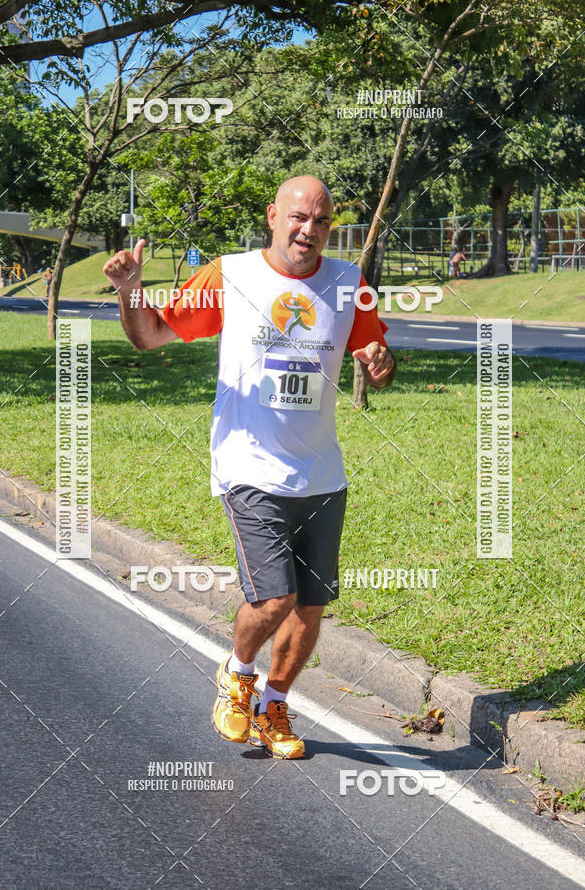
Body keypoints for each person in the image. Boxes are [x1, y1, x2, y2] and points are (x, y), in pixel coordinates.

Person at [102, 175, 396, 759]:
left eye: (320, 221)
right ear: (272, 216)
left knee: (310, 608)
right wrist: (131, 289)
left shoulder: (349, 283)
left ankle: (273, 703)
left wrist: (380, 364)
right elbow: (151, 335)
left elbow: (373, 355)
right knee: (273, 599)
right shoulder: (230, 276)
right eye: (297, 217)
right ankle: (237, 672)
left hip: (321, 475)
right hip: (248, 467)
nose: (308, 230)